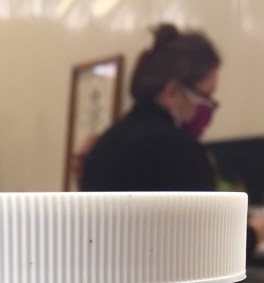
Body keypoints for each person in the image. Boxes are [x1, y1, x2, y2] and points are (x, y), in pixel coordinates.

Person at [81, 23, 264, 256]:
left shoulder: (106, 140)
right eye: (205, 96)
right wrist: (255, 232)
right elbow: (208, 249)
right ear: (172, 91)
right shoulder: (178, 148)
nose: (209, 108)